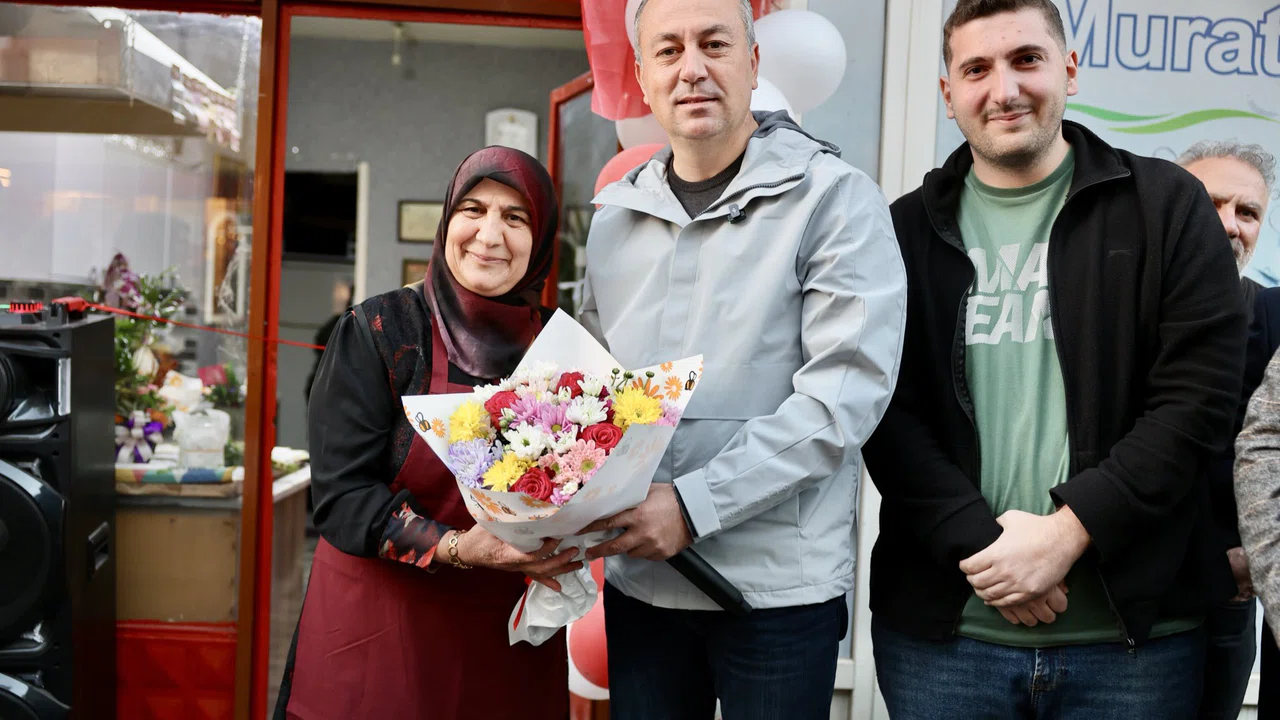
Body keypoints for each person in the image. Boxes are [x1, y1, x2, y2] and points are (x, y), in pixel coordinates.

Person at [859, 0, 1247, 716]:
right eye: (977, 69)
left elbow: (1199, 400)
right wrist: (988, 551)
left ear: (1068, 70)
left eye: (1026, 60)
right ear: (948, 93)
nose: (1003, 89)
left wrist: (1068, 534)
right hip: (947, 639)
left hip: (1135, 644)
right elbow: (884, 411)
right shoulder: (904, 230)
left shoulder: (1166, 206)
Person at [576, 0, 907, 717]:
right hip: (643, 584)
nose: (692, 69)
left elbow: (842, 399)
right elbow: (592, 394)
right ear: (643, 75)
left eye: (714, 44)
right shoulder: (614, 219)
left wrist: (693, 506)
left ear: (753, 62)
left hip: (776, 595)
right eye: (668, 50)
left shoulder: (835, 200)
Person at [274, 147, 580, 720]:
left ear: (540, 240)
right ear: (447, 220)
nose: (490, 235)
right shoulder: (382, 330)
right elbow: (341, 498)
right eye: (473, 210)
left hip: (505, 634)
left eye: (516, 218)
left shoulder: (560, 348)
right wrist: (457, 547)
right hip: (377, 631)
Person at [1178, 140, 1277, 720]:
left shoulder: (1273, 317)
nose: (1229, 225)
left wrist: (1250, 556)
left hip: (1224, 604)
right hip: (1112, 599)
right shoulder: (1108, 314)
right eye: (1209, 204)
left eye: (1248, 212)